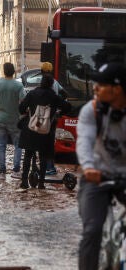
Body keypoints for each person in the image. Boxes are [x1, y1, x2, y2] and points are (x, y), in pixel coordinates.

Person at [77, 63, 126, 270]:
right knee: (93, 230)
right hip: (97, 177)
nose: (95, 88)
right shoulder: (92, 110)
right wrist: (88, 167)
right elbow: (84, 141)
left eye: (101, 84)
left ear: (117, 89)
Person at [18, 73, 71, 189]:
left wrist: (29, 111)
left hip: (31, 129)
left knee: (28, 155)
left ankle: (24, 182)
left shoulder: (32, 94)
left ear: (40, 82)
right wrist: (58, 113)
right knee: (43, 156)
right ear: (52, 85)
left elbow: (21, 108)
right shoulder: (54, 97)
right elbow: (68, 106)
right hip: (46, 131)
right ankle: (41, 183)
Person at [40, 62, 65, 176]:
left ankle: (47, 167)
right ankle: (49, 167)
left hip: (44, 117)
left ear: (42, 71)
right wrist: (58, 106)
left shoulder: (42, 83)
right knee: (50, 142)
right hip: (53, 116)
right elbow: (64, 93)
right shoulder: (55, 82)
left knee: (44, 143)